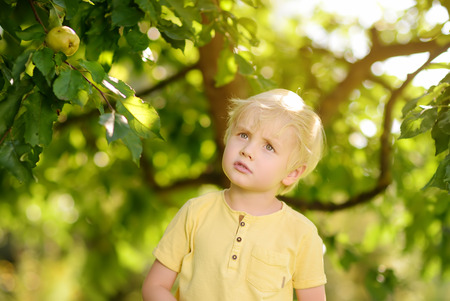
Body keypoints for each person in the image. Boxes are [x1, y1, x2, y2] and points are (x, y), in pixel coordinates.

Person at [142, 89, 327, 301]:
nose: (247, 150)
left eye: (269, 146)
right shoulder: (195, 212)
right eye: (243, 135)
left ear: (292, 173)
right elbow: (154, 286)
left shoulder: (302, 234)